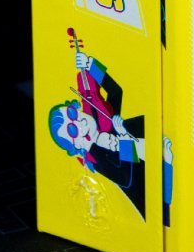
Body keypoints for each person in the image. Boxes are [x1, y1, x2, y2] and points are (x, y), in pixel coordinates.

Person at [48, 50, 147, 217]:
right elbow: (126, 179)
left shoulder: (107, 124)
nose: (79, 121)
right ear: (76, 144)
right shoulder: (97, 157)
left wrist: (91, 65)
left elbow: (116, 92)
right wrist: (123, 138)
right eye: (72, 129)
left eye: (72, 113)